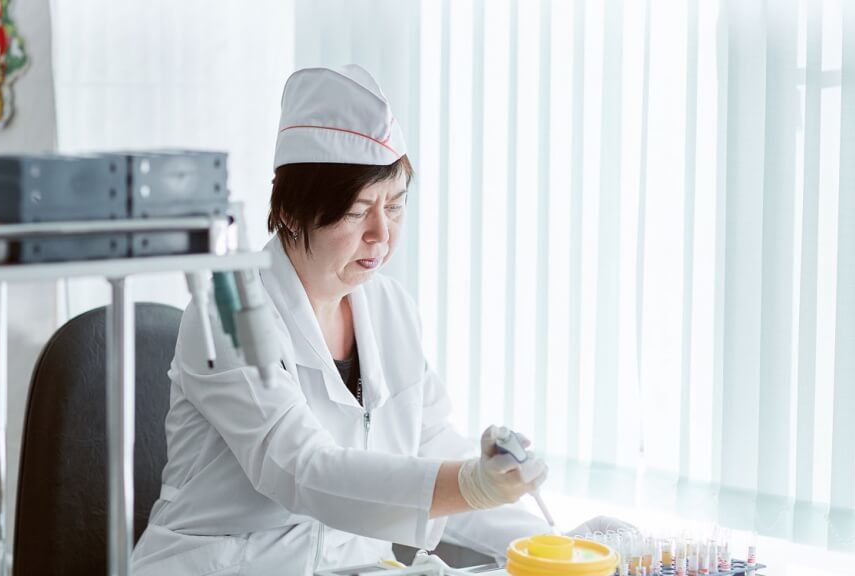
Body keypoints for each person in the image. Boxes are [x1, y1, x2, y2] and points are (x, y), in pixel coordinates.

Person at [131, 64, 626, 575]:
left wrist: (554, 547)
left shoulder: (390, 309)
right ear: (292, 211)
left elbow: (431, 447)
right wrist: (472, 484)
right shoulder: (228, 314)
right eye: (356, 210)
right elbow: (301, 470)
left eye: (395, 206)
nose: (382, 235)